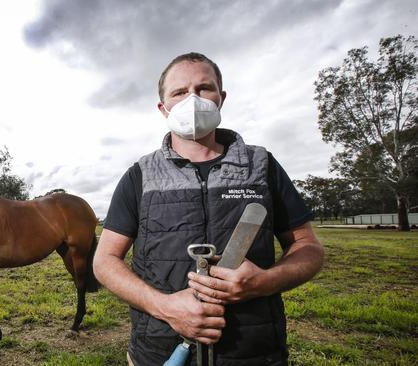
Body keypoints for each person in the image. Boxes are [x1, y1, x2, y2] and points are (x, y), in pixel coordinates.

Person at [93, 53, 324, 366]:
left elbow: (308, 248)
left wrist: (263, 282)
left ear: (221, 98)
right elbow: (104, 261)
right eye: (178, 92)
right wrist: (165, 307)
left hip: (254, 354)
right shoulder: (140, 175)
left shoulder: (261, 166)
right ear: (163, 108)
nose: (192, 98)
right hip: (158, 353)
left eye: (204, 88)